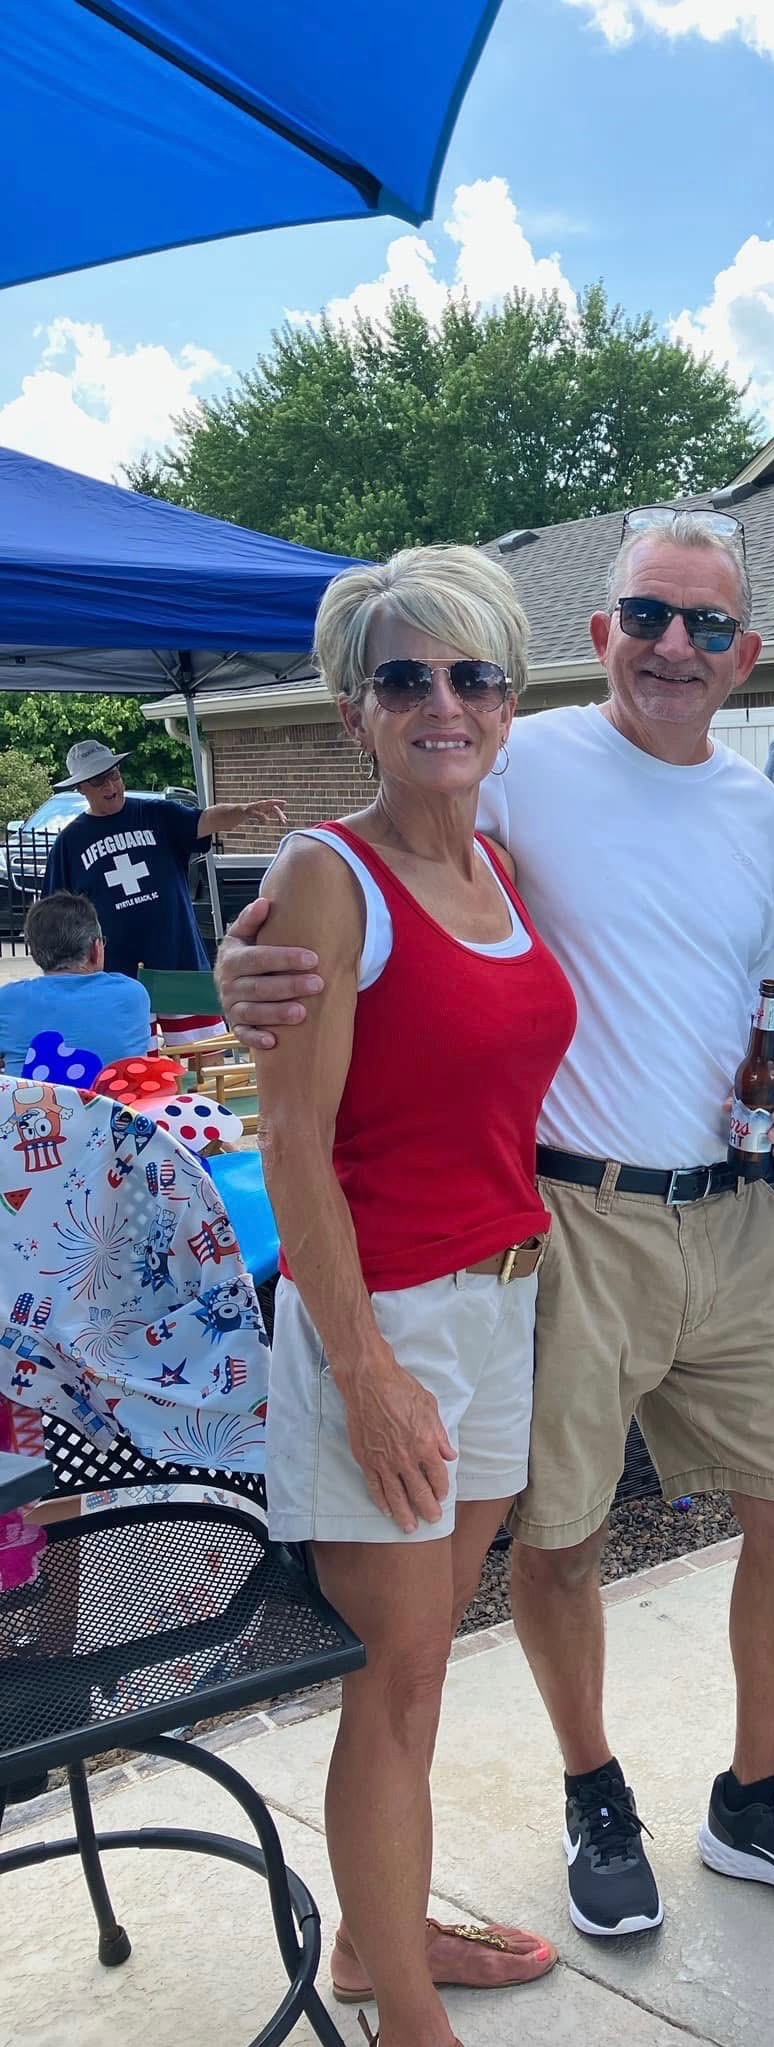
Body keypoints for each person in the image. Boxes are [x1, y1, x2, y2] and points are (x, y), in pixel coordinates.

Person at [216, 508, 774, 1942]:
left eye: (708, 625)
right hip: (554, 1225)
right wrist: (246, 961)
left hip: (701, 1226)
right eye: (647, 614)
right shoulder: (508, 766)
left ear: (744, 653)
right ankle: (580, 1799)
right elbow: (349, 891)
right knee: (540, 1555)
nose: (674, 645)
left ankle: (750, 1792)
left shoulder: (745, 806)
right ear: (598, 634)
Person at [249, 545, 575, 2047]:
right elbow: (291, 1146)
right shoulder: (331, 875)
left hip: (499, 1302)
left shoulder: (498, 860)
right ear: (353, 711)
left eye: (472, 674)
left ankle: (380, 1937)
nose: (443, 701)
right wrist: (367, 1365)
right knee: (393, 1676)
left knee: (423, 1665)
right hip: (384, 1318)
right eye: (404, 678)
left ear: (507, 701)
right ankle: (405, 2016)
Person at [41, 739, 285, 1048]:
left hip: (179, 960)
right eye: (99, 780)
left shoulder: (157, 814)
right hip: (118, 978)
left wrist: (243, 811)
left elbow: (203, 820)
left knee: (203, 1053)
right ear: (80, 788)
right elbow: (56, 914)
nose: (111, 785)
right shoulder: (69, 843)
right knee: (136, 1062)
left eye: (114, 774)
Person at [0, 891, 152, 1075]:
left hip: (33, 1095)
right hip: (117, 1094)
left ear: (34, 953)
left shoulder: (8, 1000)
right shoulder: (133, 994)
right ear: (96, 949)